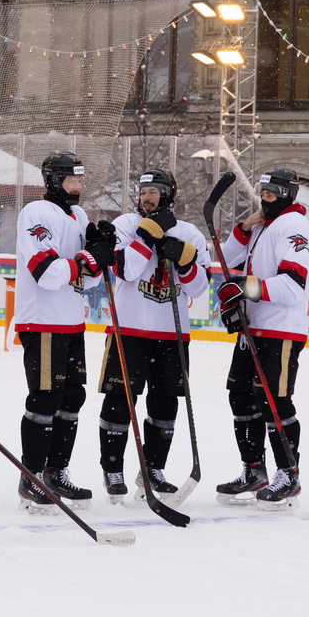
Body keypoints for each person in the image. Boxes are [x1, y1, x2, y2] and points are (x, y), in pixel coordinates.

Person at [97, 169, 211, 503]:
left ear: (168, 194)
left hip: (172, 334)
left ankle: (153, 469)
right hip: (129, 330)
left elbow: (200, 288)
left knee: (164, 406)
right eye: (143, 191)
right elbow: (126, 270)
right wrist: (149, 236)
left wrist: (186, 260)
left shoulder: (190, 233)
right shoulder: (125, 224)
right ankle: (112, 468)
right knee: (120, 401)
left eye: (154, 192)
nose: (147, 197)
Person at [12, 152, 114, 514]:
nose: (78, 187)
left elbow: (88, 278)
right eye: (73, 181)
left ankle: (56, 471)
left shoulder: (79, 215)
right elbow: (47, 272)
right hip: (41, 320)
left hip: (71, 321)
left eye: (80, 181)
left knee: (72, 397)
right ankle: (32, 476)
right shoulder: (36, 214)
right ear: (54, 181)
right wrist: (88, 259)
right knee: (45, 398)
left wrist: (103, 252)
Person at [216, 169, 309, 509]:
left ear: (288, 193)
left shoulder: (296, 227)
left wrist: (247, 288)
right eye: (262, 190)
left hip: (281, 329)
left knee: (275, 401)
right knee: (241, 398)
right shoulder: (262, 226)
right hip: (253, 329)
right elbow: (227, 261)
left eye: (272, 191)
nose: (265, 196)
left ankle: (289, 474)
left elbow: (291, 285)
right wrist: (245, 227)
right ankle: (253, 469)